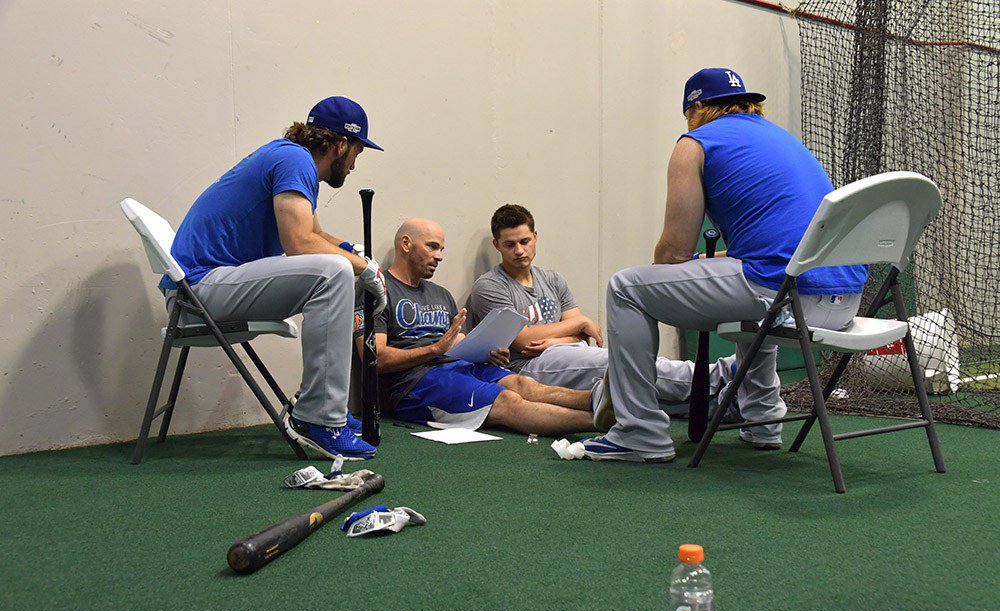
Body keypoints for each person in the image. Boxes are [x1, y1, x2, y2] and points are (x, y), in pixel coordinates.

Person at [583, 68, 868, 463]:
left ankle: (639, 432)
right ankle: (763, 422)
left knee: (626, 289)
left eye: (688, 113)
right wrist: (703, 263)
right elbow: (774, 248)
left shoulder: (694, 143)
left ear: (697, 106)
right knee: (753, 293)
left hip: (786, 297)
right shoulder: (781, 139)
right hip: (845, 302)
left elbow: (674, 252)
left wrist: (673, 270)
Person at [160, 96, 387, 461]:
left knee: (338, 267)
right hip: (198, 291)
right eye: (358, 152)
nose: (355, 165)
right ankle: (318, 418)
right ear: (341, 143)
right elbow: (300, 244)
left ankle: (322, 404)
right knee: (334, 272)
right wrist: (361, 269)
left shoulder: (291, 159)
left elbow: (316, 234)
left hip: (210, 285)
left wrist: (354, 252)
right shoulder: (294, 160)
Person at [467, 203, 739, 417]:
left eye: (524, 241)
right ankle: (722, 374)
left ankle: (720, 405)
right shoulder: (490, 286)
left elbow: (583, 334)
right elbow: (524, 340)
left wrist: (564, 335)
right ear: (496, 245)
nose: (519, 251)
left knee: (628, 389)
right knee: (621, 366)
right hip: (528, 367)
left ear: (535, 237)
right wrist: (579, 323)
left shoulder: (551, 279)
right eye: (509, 245)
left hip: (569, 353)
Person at [355, 218, 597, 437]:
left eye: (441, 249)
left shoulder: (441, 295)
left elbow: (457, 343)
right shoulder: (377, 290)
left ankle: (601, 400)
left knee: (522, 384)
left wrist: (486, 353)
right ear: (406, 244)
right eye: (432, 247)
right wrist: (435, 350)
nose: (439, 256)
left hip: (458, 367)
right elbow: (374, 358)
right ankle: (605, 422)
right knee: (508, 400)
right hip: (411, 384)